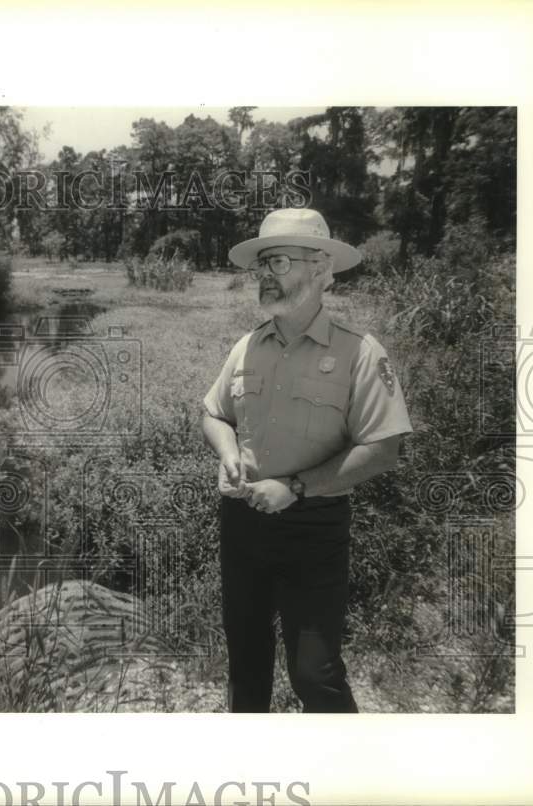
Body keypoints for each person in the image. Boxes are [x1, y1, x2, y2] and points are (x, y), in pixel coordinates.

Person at [201, 208, 413, 713]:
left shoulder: (360, 354)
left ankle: (351, 780)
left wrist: (294, 487)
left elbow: (384, 448)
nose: (265, 276)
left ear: (320, 269)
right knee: (245, 662)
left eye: (278, 262)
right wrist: (229, 451)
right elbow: (212, 413)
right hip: (242, 524)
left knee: (314, 673)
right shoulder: (247, 346)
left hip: (314, 529)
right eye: (262, 265)